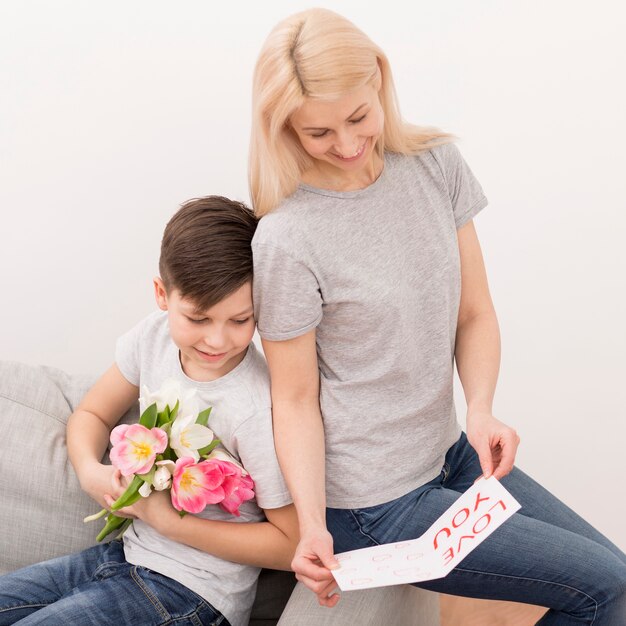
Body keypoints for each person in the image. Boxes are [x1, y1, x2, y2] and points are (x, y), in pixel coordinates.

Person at [249, 8, 626, 624]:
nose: (345, 145)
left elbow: (474, 313)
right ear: (284, 128)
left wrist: (480, 408)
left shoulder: (434, 165)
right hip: (374, 505)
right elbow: (293, 399)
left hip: (449, 454)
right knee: (603, 588)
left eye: (357, 117)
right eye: (317, 133)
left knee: (618, 581)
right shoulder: (286, 238)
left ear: (379, 80)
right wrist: (313, 526)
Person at [0, 196, 298, 626]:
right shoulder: (152, 339)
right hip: (121, 556)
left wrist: (171, 524)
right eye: (198, 318)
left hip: (192, 593)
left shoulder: (255, 407)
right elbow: (92, 415)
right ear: (162, 294)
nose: (217, 340)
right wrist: (89, 470)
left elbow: (291, 545)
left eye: (240, 320)